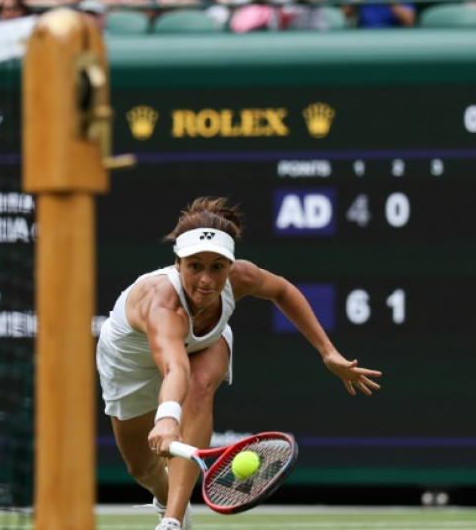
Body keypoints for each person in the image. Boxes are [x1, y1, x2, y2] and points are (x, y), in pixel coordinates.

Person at [96, 197, 382, 530]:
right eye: (195, 266)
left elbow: (283, 291)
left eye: (217, 266)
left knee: (200, 387)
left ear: (231, 266)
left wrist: (327, 352)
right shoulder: (162, 305)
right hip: (129, 363)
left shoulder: (242, 278)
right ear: (177, 264)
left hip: (204, 343)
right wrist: (167, 416)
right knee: (141, 469)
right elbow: (175, 367)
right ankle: (164, 497)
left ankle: (173, 520)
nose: (206, 279)